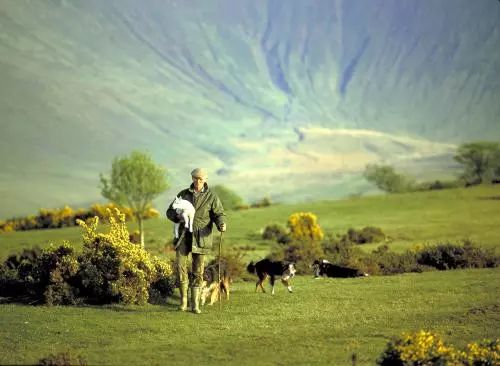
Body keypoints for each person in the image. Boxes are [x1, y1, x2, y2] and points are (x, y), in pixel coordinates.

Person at [166, 168, 226, 314]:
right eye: (195, 178)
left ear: (205, 179)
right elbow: (170, 211)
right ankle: (183, 303)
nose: (197, 181)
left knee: (198, 271)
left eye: (200, 179)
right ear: (192, 179)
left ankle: (195, 305)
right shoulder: (183, 194)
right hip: (183, 237)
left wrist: (221, 223)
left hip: (201, 238)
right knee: (180, 267)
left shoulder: (212, 197)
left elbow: (219, 214)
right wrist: (178, 217)